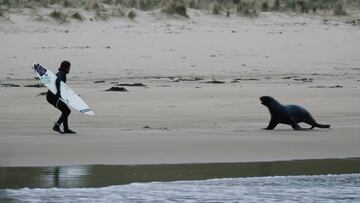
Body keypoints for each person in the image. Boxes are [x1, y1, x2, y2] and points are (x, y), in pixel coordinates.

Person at [46, 61, 76, 134]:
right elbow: (58, 81)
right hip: (53, 97)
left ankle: (66, 129)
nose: (69, 69)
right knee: (67, 111)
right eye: (69, 68)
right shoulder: (61, 74)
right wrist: (58, 92)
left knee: (65, 111)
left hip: (52, 96)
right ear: (66, 68)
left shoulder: (60, 73)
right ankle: (57, 126)